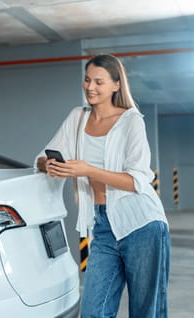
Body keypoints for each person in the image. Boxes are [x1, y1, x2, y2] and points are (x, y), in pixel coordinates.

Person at [35, 54, 170, 317]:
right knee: (93, 311)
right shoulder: (77, 118)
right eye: (87, 80)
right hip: (103, 226)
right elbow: (42, 156)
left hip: (141, 223)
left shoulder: (131, 121)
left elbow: (138, 180)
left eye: (99, 81)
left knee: (146, 311)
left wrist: (88, 170)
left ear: (116, 86)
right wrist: (48, 165)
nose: (90, 87)